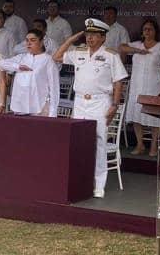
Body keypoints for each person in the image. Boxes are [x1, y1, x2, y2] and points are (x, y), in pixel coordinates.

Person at [54, 19, 128, 198]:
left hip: (100, 102)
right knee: (78, 141)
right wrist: (70, 40)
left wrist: (115, 106)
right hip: (79, 102)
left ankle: (99, 185)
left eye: (94, 35)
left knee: (100, 141)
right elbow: (56, 57)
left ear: (103, 38)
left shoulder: (111, 55)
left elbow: (119, 81)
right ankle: (80, 180)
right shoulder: (78, 52)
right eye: (88, 35)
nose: (90, 38)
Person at [119, 18, 160, 156]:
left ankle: (154, 146)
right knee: (136, 115)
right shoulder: (137, 45)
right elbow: (121, 47)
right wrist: (137, 50)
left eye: (150, 29)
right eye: (145, 29)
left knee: (154, 117)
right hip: (137, 86)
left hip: (154, 87)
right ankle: (140, 144)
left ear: (155, 31)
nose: (147, 31)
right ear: (142, 32)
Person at [0, 29, 59, 117]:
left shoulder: (48, 60)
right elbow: (0, 64)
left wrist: (53, 113)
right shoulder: (22, 57)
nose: (29, 43)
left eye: (33, 40)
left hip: (39, 107)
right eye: (27, 40)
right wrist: (18, 67)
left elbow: (54, 88)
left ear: (41, 42)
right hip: (20, 107)